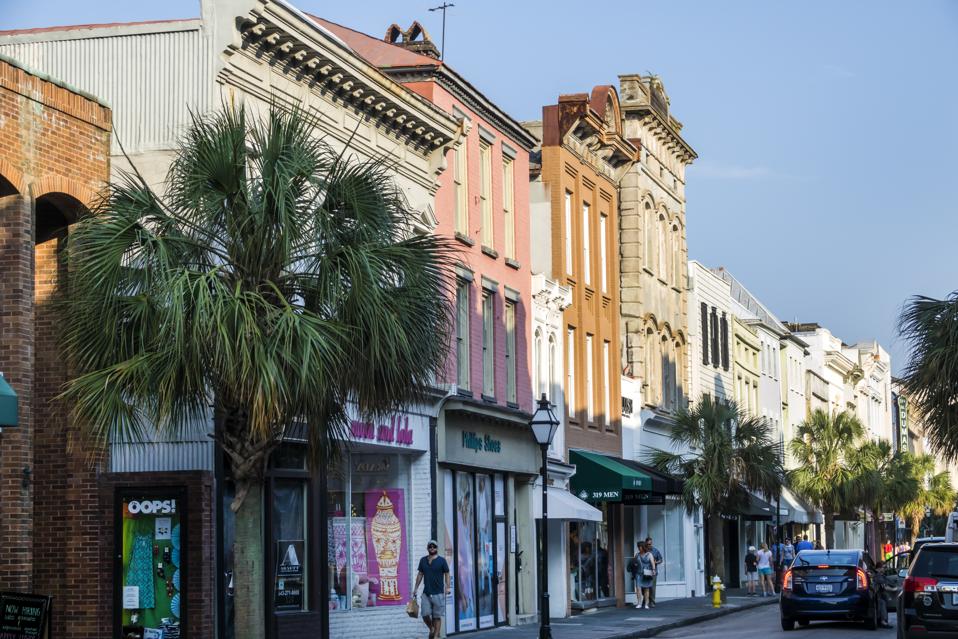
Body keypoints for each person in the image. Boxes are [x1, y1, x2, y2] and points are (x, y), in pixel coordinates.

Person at [414, 540, 450, 639]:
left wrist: (448, 587)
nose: (432, 548)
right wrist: (415, 588)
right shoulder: (423, 560)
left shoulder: (442, 561)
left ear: (437, 548)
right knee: (425, 614)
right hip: (426, 593)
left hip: (438, 593)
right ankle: (432, 629)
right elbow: (420, 574)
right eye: (430, 546)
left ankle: (435, 636)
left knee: (437, 616)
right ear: (427, 548)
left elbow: (447, 574)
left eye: (434, 546)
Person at [645, 536, 663, 607]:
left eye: (650, 544)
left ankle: (652, 602)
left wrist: (656, 562)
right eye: (648, 544)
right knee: (645, 586)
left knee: (652, 587)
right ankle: (646, 600)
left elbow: (661, 560)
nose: (649, 545)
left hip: (653, 571)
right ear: (646, 544)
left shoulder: (655, 551)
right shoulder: (644, 551)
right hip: (645, 571)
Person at [636, 542, 655, 609]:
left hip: (647, 573)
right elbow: (635, 563)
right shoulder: (637, 555)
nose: (638, 548)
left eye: (640, 546)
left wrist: (653, 570)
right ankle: (639, 603)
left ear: (643, 547)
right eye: (638, 546)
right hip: (639, 573)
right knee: (638, 588)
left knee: (646, 588)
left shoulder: (649, 554)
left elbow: (652, 562)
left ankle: (646, 604)